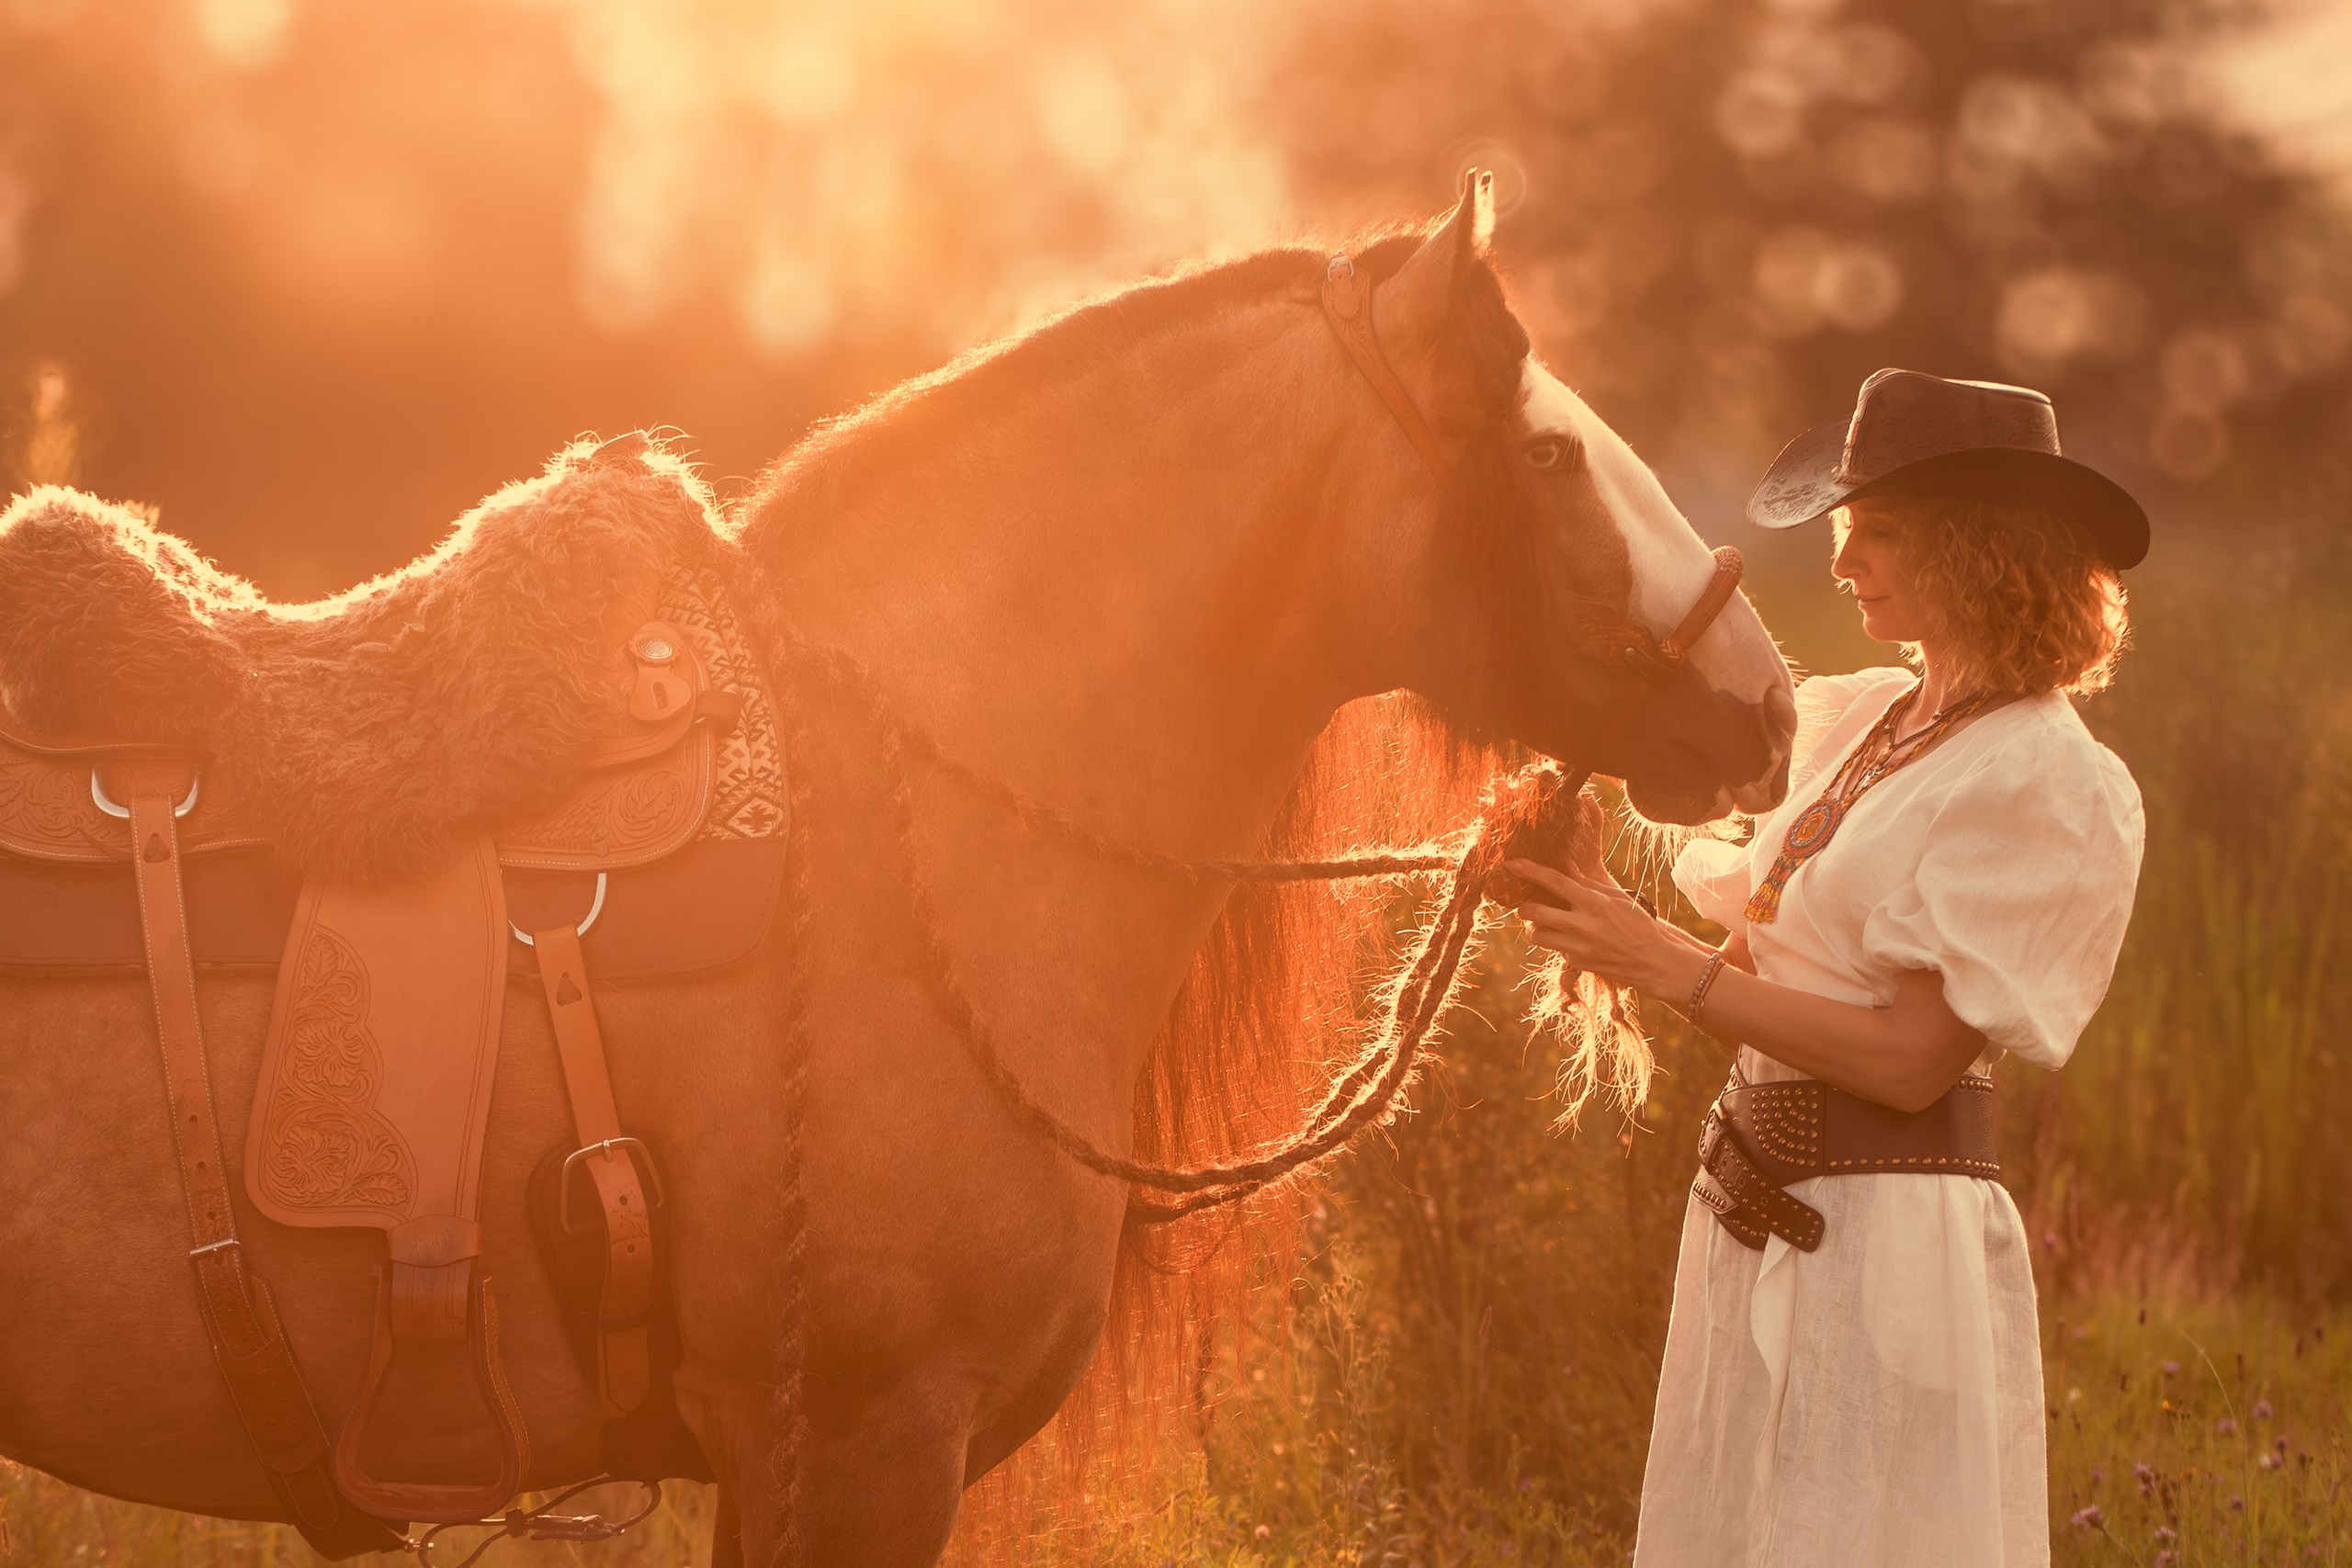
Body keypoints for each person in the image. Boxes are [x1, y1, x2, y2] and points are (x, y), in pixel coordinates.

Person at [1505, 368, 2148, 1566]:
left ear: (1978, 550)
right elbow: (1765, 986)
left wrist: (1656, 962)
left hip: (1889, 1235)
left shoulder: (2045, 778)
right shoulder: (1860, 722)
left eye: (1877, 533)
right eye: (1846, 530)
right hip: (1751, 1211)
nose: (1843, 561)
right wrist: (1599, 898)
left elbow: (1910, 1066)